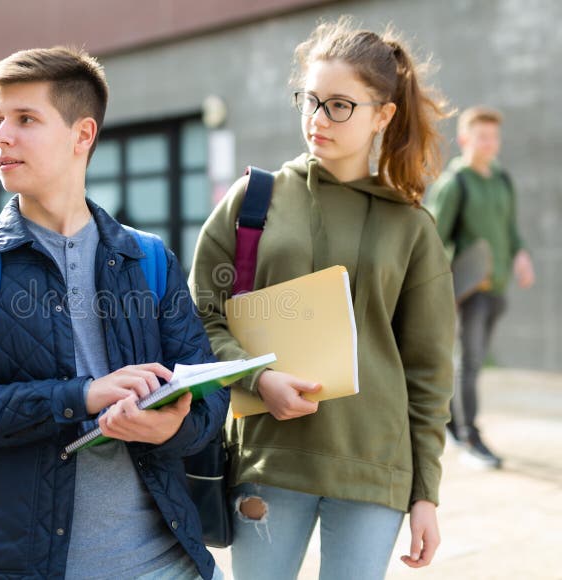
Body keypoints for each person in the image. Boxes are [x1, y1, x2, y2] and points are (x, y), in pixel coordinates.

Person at [0, 47, 228, 580]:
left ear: (83, 136)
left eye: (25, 119)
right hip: (20, 568)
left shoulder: (148, 260)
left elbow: (210, 401)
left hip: (170, 566)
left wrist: (168, 430)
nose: (2, 136)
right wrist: (78, 396)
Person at [189, 18, 456, 579]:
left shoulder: (410, 226)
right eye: (310, 100)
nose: (317, 119)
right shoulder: (254, 199)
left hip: (375, 466)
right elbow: (198, 316)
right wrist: (256, 379)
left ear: (383, 115)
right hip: (268, 457)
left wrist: (425, 494)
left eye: (339, 105)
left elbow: (428, 371)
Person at [426, 106, 534, 468]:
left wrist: (521, 255)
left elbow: (511, 229)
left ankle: (454, 425)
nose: (490, 144)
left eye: (494, 137)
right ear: (464, 139)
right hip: (468, 292)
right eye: (482, 137)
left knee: (472, 362)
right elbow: (432, 241)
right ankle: (470, 434)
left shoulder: (502, 181)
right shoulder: (454, 184)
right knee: (469, 362)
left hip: (498, 288)